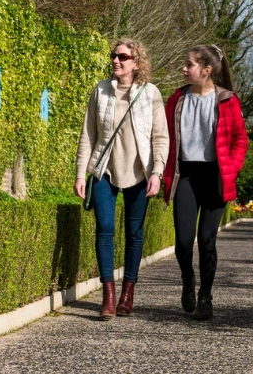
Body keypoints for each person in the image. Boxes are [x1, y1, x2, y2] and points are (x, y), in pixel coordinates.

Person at [74, 38, 170, 320]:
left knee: (134, 233)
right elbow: (88, 135)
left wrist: (157, 171)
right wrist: (81, 173)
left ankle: (128, 292)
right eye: (114, 56)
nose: (116, 61)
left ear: (136, 63)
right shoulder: (101, 91)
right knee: (104, 227)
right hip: (104, 169)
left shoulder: (151, 93)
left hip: (139, 171)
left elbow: (160, 137)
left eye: (123, 57)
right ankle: (108, 294)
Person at [162, 44, 248, 320]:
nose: (183, 69)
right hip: (186, 175)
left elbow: (239, 140)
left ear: (206, 70)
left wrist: (231, 170)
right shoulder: (177, 99)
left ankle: (206, 297)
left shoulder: (227, 100)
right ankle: (188, 279)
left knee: (207, 239)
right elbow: (163, 137)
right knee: (184, 242)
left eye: (189, 65)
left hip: (216, 177)